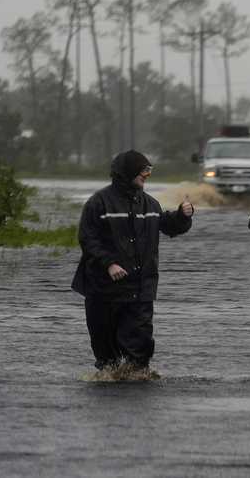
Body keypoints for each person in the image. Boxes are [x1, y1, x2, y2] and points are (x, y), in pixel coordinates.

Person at [72, 150, 195, 373]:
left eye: (149, 170)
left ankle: (137, 383)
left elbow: (169, 226)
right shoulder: (98, 203)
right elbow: (88, 239)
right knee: (106, 356)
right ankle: (110, 385)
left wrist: (182, 217)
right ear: (127, 172)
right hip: (103, 291)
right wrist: (109, 263)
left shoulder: (151, 205)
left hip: (141, 290)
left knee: (138, 352)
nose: (147, 175)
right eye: (143, 170)